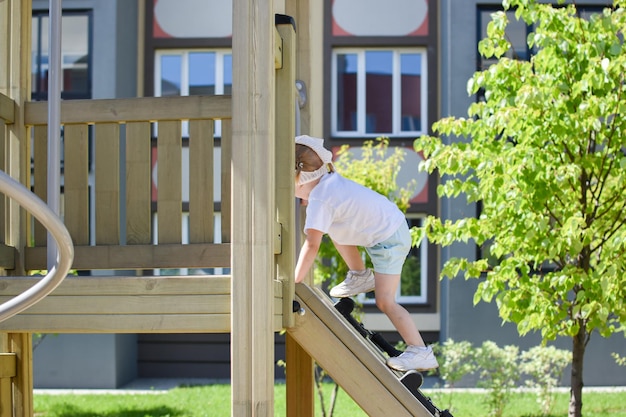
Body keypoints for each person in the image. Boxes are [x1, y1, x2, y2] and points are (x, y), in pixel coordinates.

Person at [293, 135, 439, 372]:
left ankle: (421, 351)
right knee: (332, 226)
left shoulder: (321, 199)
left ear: (300, 179)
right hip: (386, 227)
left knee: (385, 300)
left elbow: (311, 244)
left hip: (389, 238)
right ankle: (360, 274)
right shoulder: (329, 182)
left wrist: (295, 280)